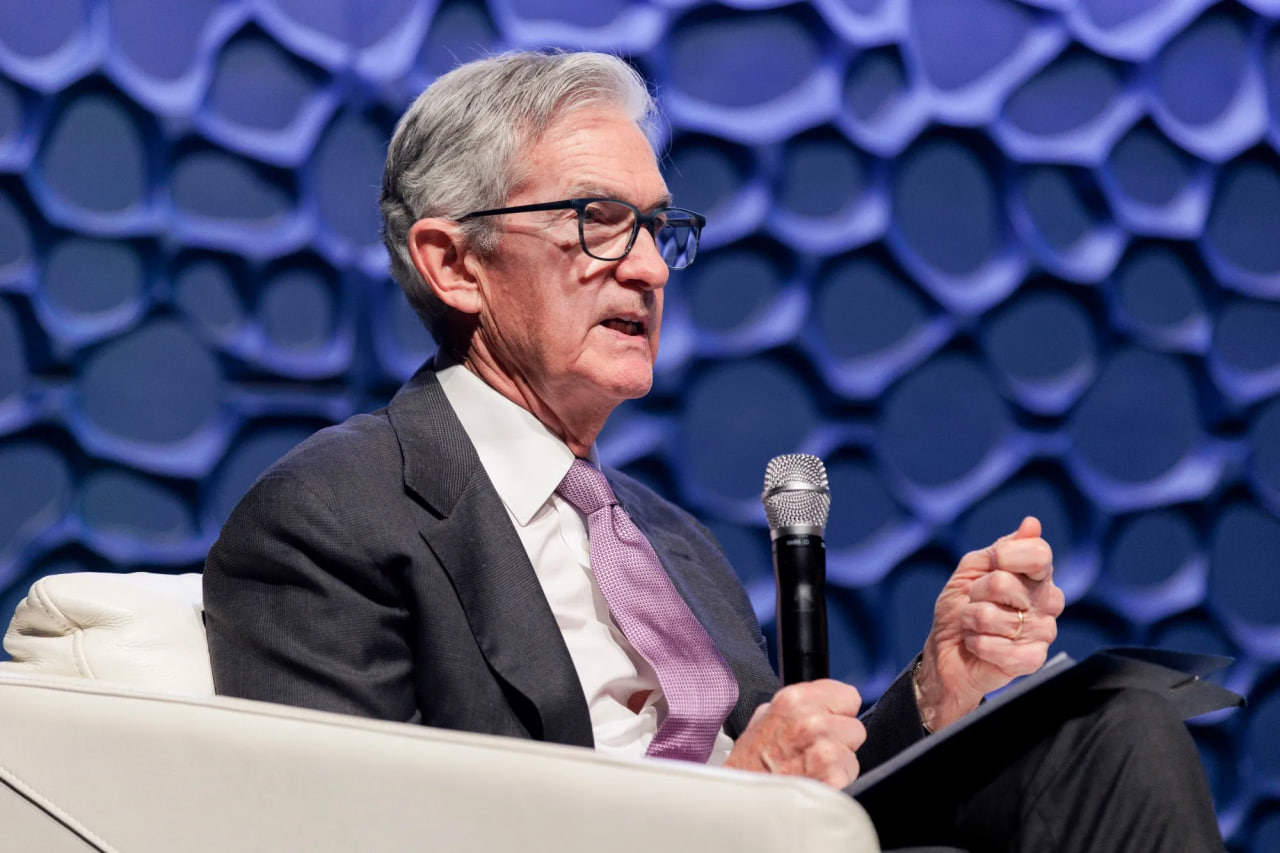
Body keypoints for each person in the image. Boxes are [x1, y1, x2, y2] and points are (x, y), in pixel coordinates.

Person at [203, 50, 1224, 851]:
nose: (650, 268)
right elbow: (346, 837)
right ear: (455, 262)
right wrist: (725, 811)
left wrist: (931, 694)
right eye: (598, 221)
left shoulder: (666, 537)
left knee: (1113, 725)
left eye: (657, 228)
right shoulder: (333, 516)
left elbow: (813, 802)